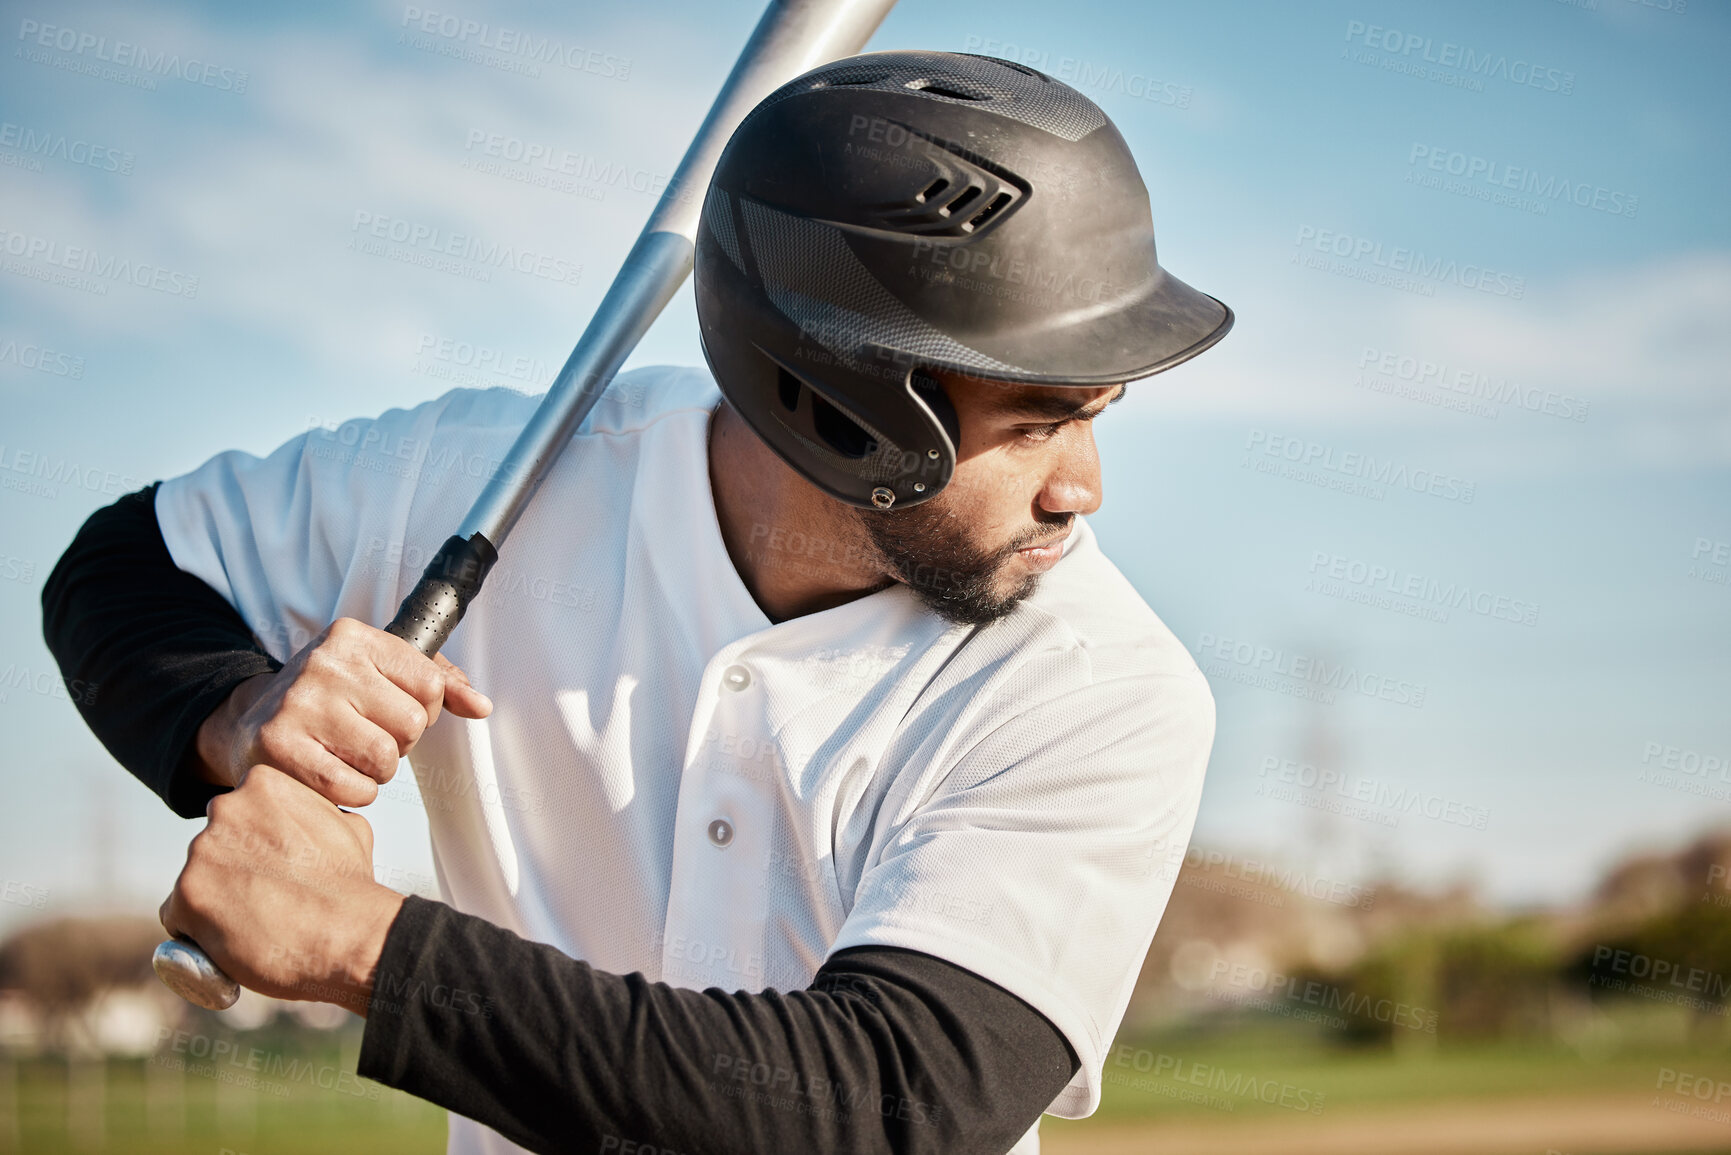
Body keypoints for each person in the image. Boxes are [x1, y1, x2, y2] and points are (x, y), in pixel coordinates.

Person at [43, 51, 1230, 1155]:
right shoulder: (485, 477)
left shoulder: (1104, 685)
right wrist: (241, 714)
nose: (1083, 489)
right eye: (1037, 423)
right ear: (838, 403)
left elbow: (887, 1103)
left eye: (1094, 414)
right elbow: (122, 570)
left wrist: (367, 945)